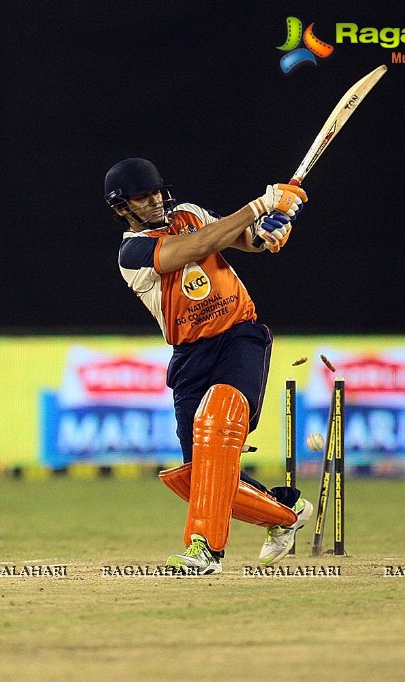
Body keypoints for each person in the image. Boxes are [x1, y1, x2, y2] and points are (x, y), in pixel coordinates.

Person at [103, 157, 312, 575]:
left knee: (218, 421)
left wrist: (272, 229)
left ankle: (204, 552)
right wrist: (257, 206)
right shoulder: (133, 253)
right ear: (122, 208)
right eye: (143, 198)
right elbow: (195, 248)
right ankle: (286, 512)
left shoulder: (190, 215)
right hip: (190, 358)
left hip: (239, 337)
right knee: (198, 478)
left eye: (157, 191)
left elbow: (243, 239)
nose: (156, 201)